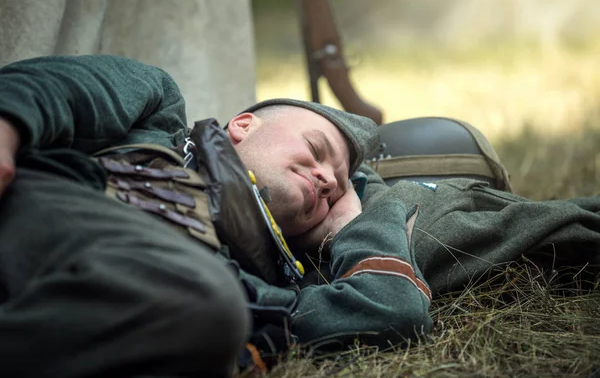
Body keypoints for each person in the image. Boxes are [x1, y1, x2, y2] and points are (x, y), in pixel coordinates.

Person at [0, 55, 432, 377]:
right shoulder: (159, 114)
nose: (325, 179)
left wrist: (356, 223)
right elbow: (59, 88)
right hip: (36, 208)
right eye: (317, 151)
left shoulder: (263, 291)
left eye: (334, 194)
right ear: (244, 125)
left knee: (212, 312)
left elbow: (392, 312)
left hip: (147, 303)